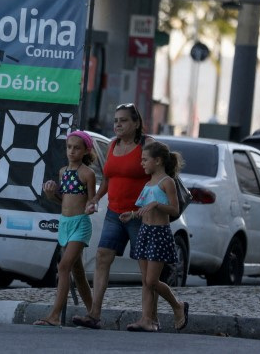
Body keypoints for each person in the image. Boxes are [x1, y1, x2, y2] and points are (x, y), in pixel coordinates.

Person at [72, 103, 153, 329]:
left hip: (140, 215)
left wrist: (149, 206)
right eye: (116, 120)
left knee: (146, 268)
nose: (118, 124)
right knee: (102, 256)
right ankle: (94, 314)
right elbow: (108, 178)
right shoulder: (113, 145)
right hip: (114, 212)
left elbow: (161, 175)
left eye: (124, 120)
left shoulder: (148, 145)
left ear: (136, 123)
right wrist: (96, 198)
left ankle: (149, 318)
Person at [120, 141, 189, 332]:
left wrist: (158, 205)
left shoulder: (167, 182)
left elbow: (174, 210)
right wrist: (133, 214)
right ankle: (148, 319)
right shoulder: (148, 183)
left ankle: (178, 306)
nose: (141, 163)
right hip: (145, 231)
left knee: (152, 280)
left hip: (159, 233)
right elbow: (145, 208)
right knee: (145, 281)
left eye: (145, 160)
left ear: (157, 161)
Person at [33, 130, 97, 327]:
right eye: (69, 147)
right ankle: (94, 314)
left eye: (77, 148)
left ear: (86, 150)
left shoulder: (88, 173)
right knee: (77, 273)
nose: (72, 151)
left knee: (63, 267)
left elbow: (90, 200)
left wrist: (91, 206)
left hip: (80, 224)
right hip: (65, 224)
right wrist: (51, 194)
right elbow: (62, 200)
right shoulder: (63, 172)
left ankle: (54, 315)